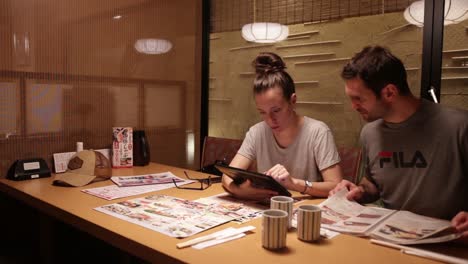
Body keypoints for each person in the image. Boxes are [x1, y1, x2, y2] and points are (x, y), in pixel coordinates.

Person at [330, 45, 468, 242]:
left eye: (358, 99)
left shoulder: (459, 127)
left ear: (389, 93)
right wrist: (359, 191)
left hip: (448, 241)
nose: (353, 107)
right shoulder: (370, 133)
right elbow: (373, 184)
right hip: (391, 238)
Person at [222, 52, 343, 201]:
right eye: (262, 112)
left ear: (293, 101)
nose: (270, 120)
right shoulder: (256, 132)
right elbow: (227, 177)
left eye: (276, 111)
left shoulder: (318, 131)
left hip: (302, 211)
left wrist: (294, 183)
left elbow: (336, 186)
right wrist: (241, 191)